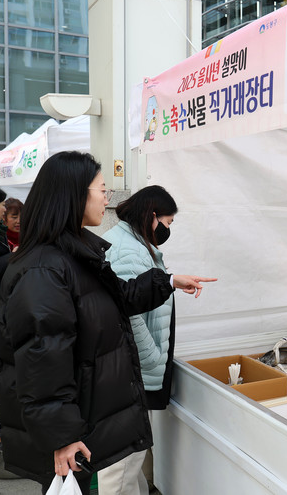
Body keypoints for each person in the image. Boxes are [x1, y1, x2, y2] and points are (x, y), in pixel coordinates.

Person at [0, 151, 206, 494]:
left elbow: (118, 297)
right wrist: (62, 435)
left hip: (92, 407)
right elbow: (42, 359)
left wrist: (168, 281)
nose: (107, 199)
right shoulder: (45, 269)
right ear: (74, 194)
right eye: (102, 190)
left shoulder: (75, 254)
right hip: (76, 421)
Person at [98, 185, 216, 495]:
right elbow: (128, 313)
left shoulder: (133, 242)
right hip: (134, 368)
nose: (168, 229)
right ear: (152, 216)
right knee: (122, 463)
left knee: (130, 461)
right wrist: (151, 357)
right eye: (168, 222)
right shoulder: (128, 249)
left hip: (133, 366)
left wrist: (171, 281)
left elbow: (139, 290)